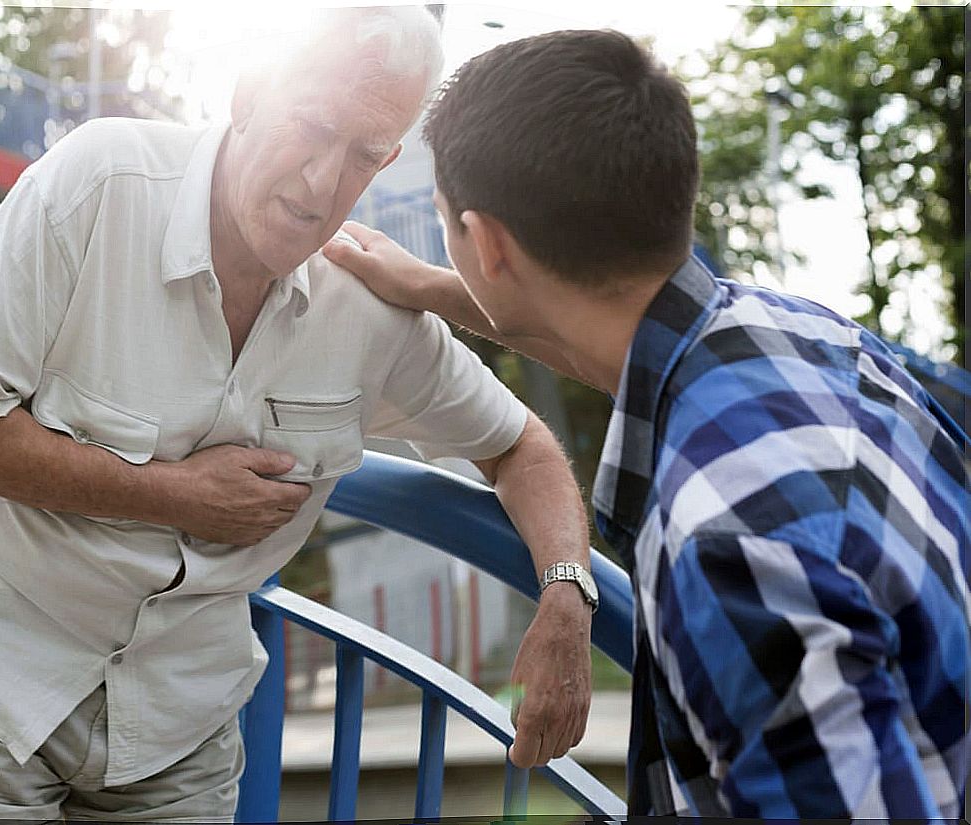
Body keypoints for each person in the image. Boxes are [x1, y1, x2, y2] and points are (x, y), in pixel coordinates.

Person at [0, 8, 596, 821]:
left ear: (389, 159)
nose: (323, 181)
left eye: (362, 154)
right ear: (249, 93)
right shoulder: (100, 182)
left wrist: (567, 594)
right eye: (313, 128)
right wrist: (171, 494)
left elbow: (521, 447)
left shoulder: (370, 306)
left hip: (177, 717)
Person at [324, 28, 970, 818]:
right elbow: (597, 330)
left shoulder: (728, 544)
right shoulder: (814, 334)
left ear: (487, 242)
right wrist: (432, 284)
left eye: (448, 227)